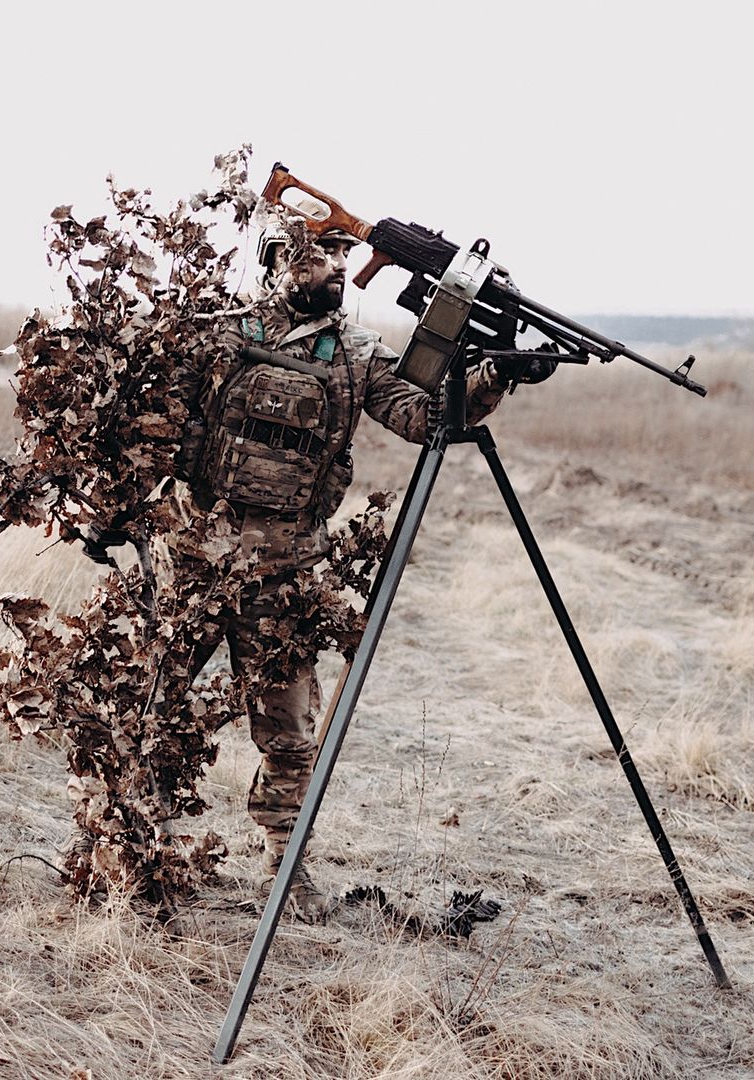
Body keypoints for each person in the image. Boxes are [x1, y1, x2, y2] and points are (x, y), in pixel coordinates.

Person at [154, 221, 555, 921]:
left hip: (285, 571)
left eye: (343, 253)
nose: (337, 266)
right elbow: (154, 422)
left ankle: (285, 866)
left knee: (286, 731)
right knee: (159, 705)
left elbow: (421, 416)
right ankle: (138, 845)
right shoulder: (217, 333)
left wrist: (492, 376)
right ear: (279, 259)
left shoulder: (357, 354)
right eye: (320, 253)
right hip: (193, 556)